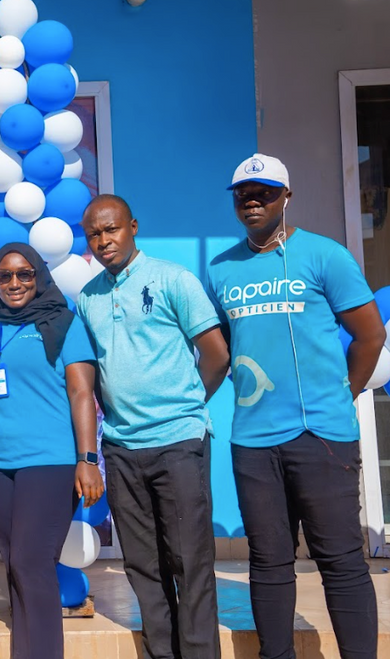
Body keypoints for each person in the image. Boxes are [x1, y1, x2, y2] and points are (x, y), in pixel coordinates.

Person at [206, 153, 384, 659]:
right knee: (268, 560)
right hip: (253, 441)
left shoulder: (325, 256)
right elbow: (217, 349)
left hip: (322, 436)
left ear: (286, 196)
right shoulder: (221, 268)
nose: (253, 201)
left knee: (342, 560)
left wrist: (342, 393)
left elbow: (369, 336)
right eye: (244, 194)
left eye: (264, 192)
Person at [76, 194, 229, 659]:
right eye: (94, 234)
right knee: (143, 565)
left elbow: (218, 355)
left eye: (112, 229)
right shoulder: (88, 296)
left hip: (179, 444)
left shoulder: (172, 279)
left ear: (133, 227)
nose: (104, 240)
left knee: (189, 563)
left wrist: (185, 409)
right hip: (122, 447)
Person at [0, 243, 103, 659]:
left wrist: (88, 460)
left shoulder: (64, 324)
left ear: (39, 277)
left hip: (51, 463)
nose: (14, 283)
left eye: (24, 274)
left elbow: (82, 393)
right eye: (5, 276)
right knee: (15, 566)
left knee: (33, 564)